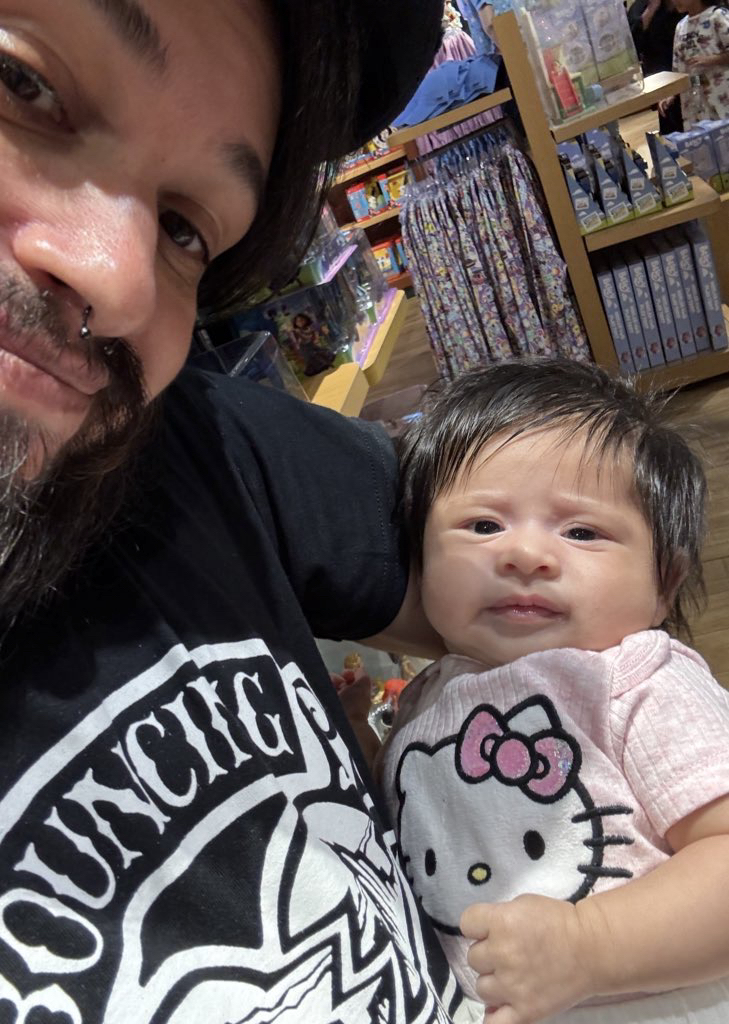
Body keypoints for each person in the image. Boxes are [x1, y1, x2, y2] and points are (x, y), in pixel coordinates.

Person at [0, 2, 477, 1021]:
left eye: (185, 228)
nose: (122, 282)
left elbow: (562, 559)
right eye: (21, 83)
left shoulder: (178, 438)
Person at [378, 358, 729, 1023]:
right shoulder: (422, 702)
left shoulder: (634, 679)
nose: (524, 555)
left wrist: (589, 946)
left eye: (581, 532)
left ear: (665, 584)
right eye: (484, 526)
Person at [660, 0, 729, 126]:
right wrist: (672, 93)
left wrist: (712, 59)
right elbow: (678, 66)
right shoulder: (681, 26)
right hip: (694, 100)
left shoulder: (717, 16)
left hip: (721, 93)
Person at [628, 0, 684, 132]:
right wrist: (651, 9)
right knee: (673, 133)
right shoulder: (640, 7)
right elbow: (632, 47)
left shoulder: (687, 5)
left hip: (689, 73)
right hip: (662, 81)